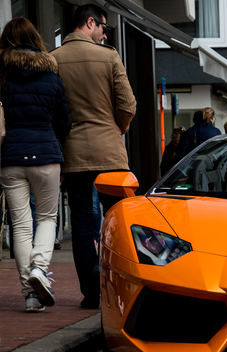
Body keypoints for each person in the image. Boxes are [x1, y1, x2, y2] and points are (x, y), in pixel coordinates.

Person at [51, 4, 137, 309]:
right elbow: (127, 105)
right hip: (111, 154)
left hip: (74, 153)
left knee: (83, 222)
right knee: (118, 221)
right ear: (90, 23)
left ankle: (90, 293)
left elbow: (53, 111)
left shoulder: (54, 59)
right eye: (103, 28)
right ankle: (121, 288)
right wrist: (118, 130)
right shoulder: (109, 56)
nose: (104, 34)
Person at [0, 17, 72, 312]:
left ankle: (30, 295)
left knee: (21, 225)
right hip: (45, 155)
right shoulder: (52, 75)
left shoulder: (2, 76)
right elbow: (64, 122)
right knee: (47, 218)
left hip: (11, 157)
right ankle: (40, 269)